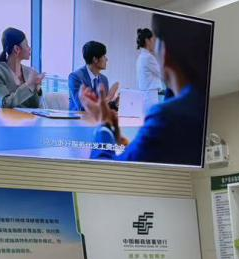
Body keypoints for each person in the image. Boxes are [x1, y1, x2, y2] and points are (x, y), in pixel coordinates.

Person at [80, 13, 207, 166]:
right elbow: (147, 153)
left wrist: (104, 124)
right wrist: (118, 137)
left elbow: (104, 169)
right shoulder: (200, 103)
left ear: (165, 53)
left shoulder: (165, 116)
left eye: (156, 42)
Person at [0, 27, 41, 108]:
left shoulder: (28, 72)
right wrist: (29, 85)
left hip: (27, 116)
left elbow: (35, 106)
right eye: (26, 45)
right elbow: (5, 104)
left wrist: (37, 88)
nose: (29, 48)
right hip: (6, 116)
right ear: (16, 49)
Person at [67, 40, 119, 112]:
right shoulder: (75, 77)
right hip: (78, 118)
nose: (106, 59)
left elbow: (104, 107)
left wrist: (115, 103)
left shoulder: (104, 79)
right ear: (95, 59)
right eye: (104, 56)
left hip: (96, 118)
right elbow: (83, 107)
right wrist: (109, 97)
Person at [135, 27, 166, 116]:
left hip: (147, 96)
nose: (154, 44)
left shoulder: (141, 57)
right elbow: (163, 74)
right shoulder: (148, 57)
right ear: (147, 41)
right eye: (153, 41)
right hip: (150, 96)